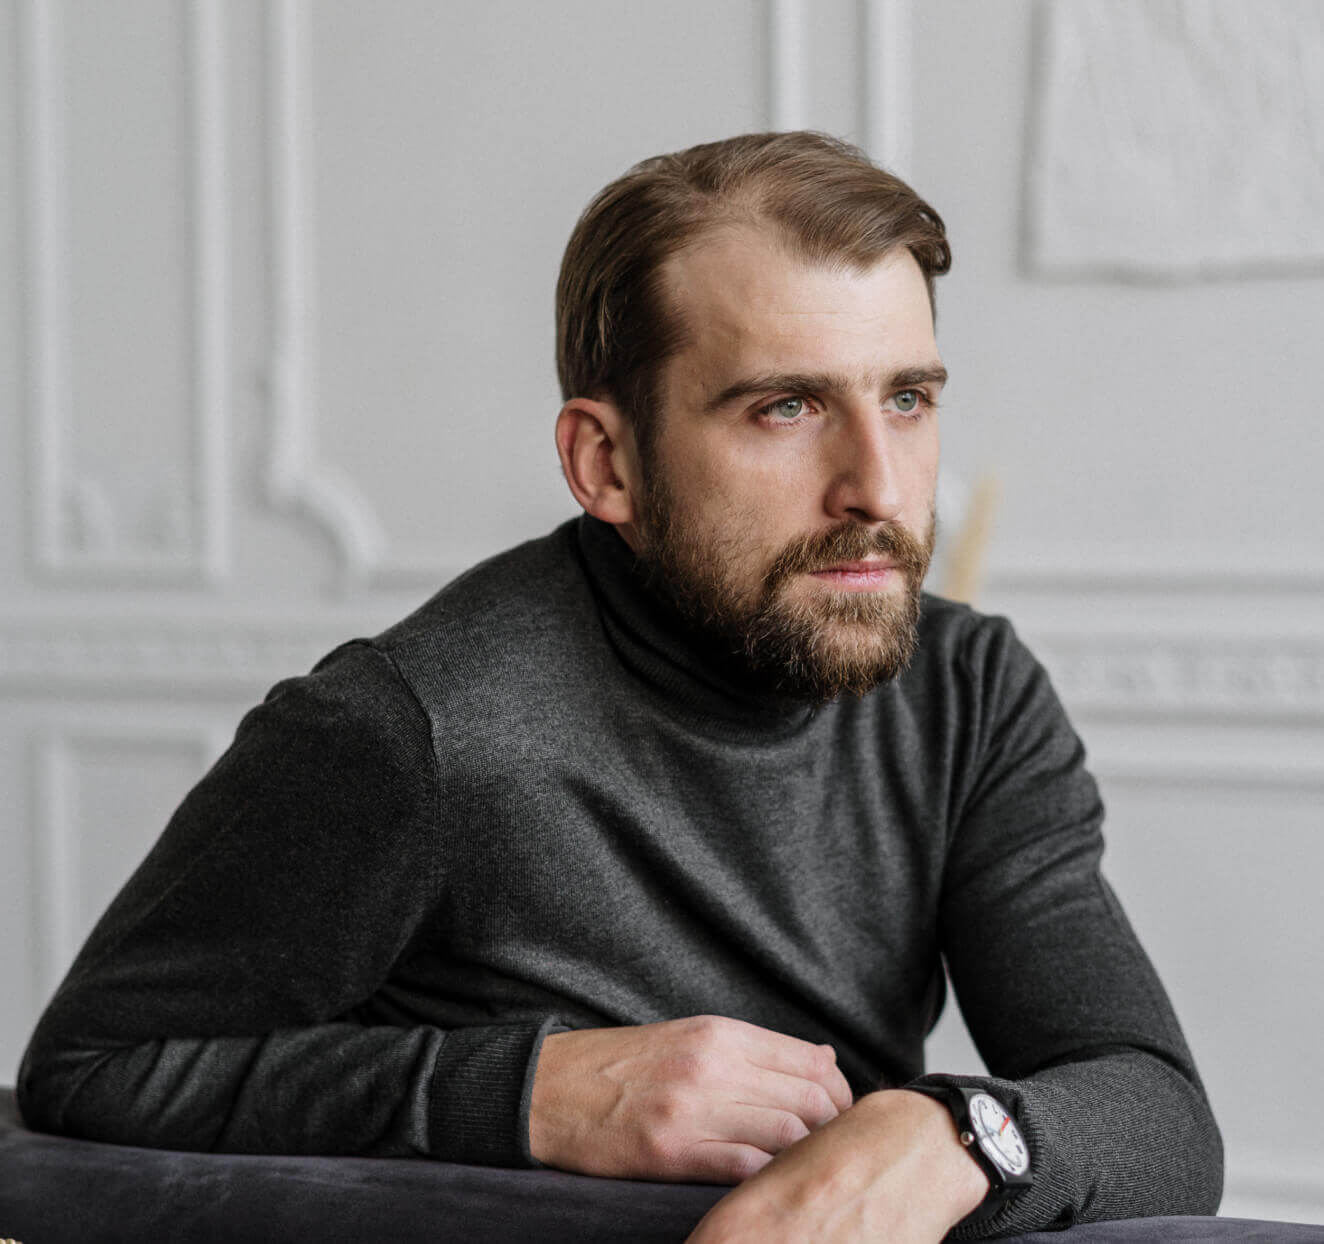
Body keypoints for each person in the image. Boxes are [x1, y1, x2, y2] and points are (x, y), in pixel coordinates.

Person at [18, 132, 1222, 1240]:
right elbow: (94, 1064)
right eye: (787, 406)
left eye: (906, 397)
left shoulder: (969, 691)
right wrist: (531, 1089)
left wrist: (948, 1133)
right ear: (606, 462)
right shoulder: (414, 725)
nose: (881, 486)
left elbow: (1157, 1110)